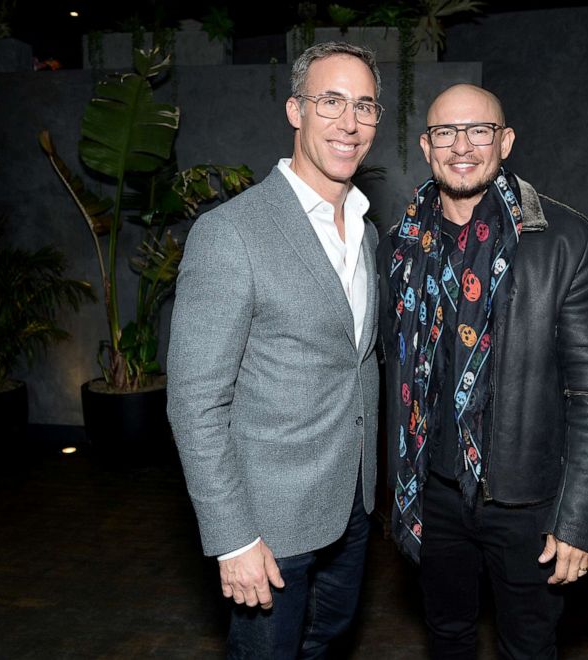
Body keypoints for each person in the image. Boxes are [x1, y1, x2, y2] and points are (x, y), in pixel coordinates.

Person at [377, 83, 588, 658]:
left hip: (527, 501)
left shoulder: (565, 240)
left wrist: (579, 519)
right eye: (445, 132)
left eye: (479, 130)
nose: (461, 145)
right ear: (426, 144)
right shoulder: (399, 244)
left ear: (505, 141)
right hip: (431, 492)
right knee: (446, 635)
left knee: (529, 647)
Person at [167, 41, 383, 659]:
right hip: (266, 521)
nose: (349, 122)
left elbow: (353, 360)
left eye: (365, 106)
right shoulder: (230, 233)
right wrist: (233, 537)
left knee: (327, 646)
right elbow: (194, 401)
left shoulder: (367, 230)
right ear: (295, 110)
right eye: (331, 101)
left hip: (352, 507)